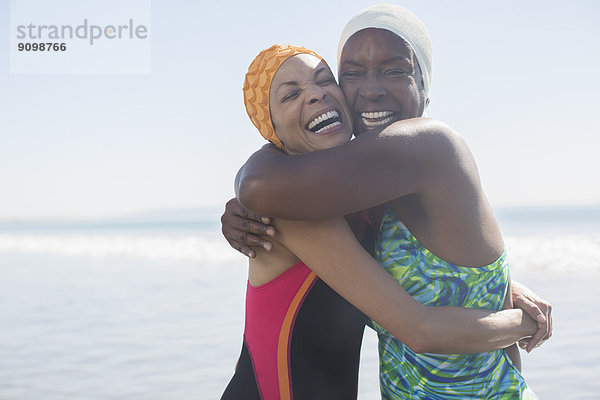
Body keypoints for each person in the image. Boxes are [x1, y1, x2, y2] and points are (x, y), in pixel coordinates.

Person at [221, 42, 540, 399]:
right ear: (271, 129)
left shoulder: (362, 202)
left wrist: (503, 289)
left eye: (324, 80)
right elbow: (419, 330)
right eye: (291, 94)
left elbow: (392, 284)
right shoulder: (293, 212)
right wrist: (525, 322)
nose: (315, 95)